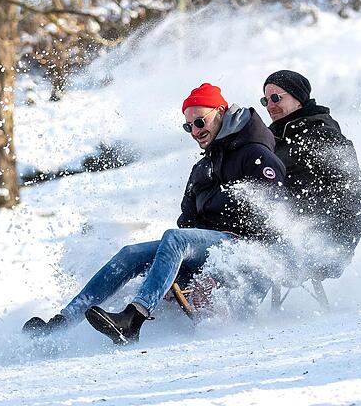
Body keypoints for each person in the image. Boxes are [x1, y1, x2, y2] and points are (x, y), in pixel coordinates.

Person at [23, 83, 285, 344]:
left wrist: (237, 255)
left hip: (244, 247)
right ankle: (62, 323)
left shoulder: (254, 153)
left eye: (200, 122)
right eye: (189, 126)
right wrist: (176, 276)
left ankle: (133, 318)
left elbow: (277, 212)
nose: (195, 131)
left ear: (220, 112)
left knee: (175, 238)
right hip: (209, 245)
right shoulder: (204, 165)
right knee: (131, 253)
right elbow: (187, 221)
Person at [261, 70, 361, 279]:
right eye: (265, 100)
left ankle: (220, 309)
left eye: (275, 98)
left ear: (298, 98)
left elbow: (354, 195)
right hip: (276, 233)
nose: (270, 106)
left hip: (314, 241)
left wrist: (335, 247)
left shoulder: (322, 134)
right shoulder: (273, 138)